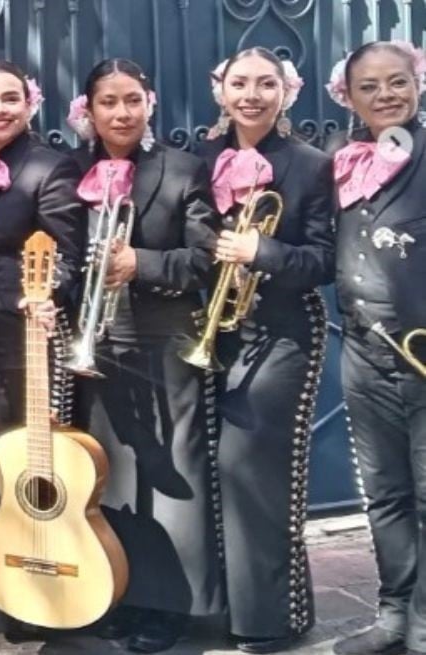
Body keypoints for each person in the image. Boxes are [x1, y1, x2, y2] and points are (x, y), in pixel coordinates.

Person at [65, 58, 223, 653]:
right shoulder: (73, 170)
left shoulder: (183, 171)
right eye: (108, 102)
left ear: (149, 103)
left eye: (132, 100)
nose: (121, 113)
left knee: (170, 473)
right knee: (112, 475)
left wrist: (144, 264)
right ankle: (123, 590)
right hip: (98, 341)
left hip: (165, 340)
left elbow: (205, 260)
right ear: (89, 110)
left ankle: (171, 606)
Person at [198, 47, 335, 654]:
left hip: (282, 335)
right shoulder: (198, 159)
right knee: (208, 471)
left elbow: (324, 260)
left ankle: (272, 619)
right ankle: (222, 609)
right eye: (240, 83)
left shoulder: (309, 165)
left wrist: (262, 253)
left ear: (288, 92)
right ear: (219, 91)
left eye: (266, 84)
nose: (252, 94)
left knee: (252, 471)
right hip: (211, 330)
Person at [0, 58, 87, 633]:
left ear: (30, 104)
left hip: (24, 337)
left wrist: (46, 292)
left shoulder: (48, 167)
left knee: (28, 462)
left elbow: (67, 253)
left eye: (10, 98)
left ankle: (34, 591)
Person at [326, 40, 426, 655]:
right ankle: (392, 614)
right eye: (370, 86)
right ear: (349, 95)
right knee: (384, 490)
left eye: (397, 82)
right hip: (364, 352)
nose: (385, 96)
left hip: (422, 351)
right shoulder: (340, 160)